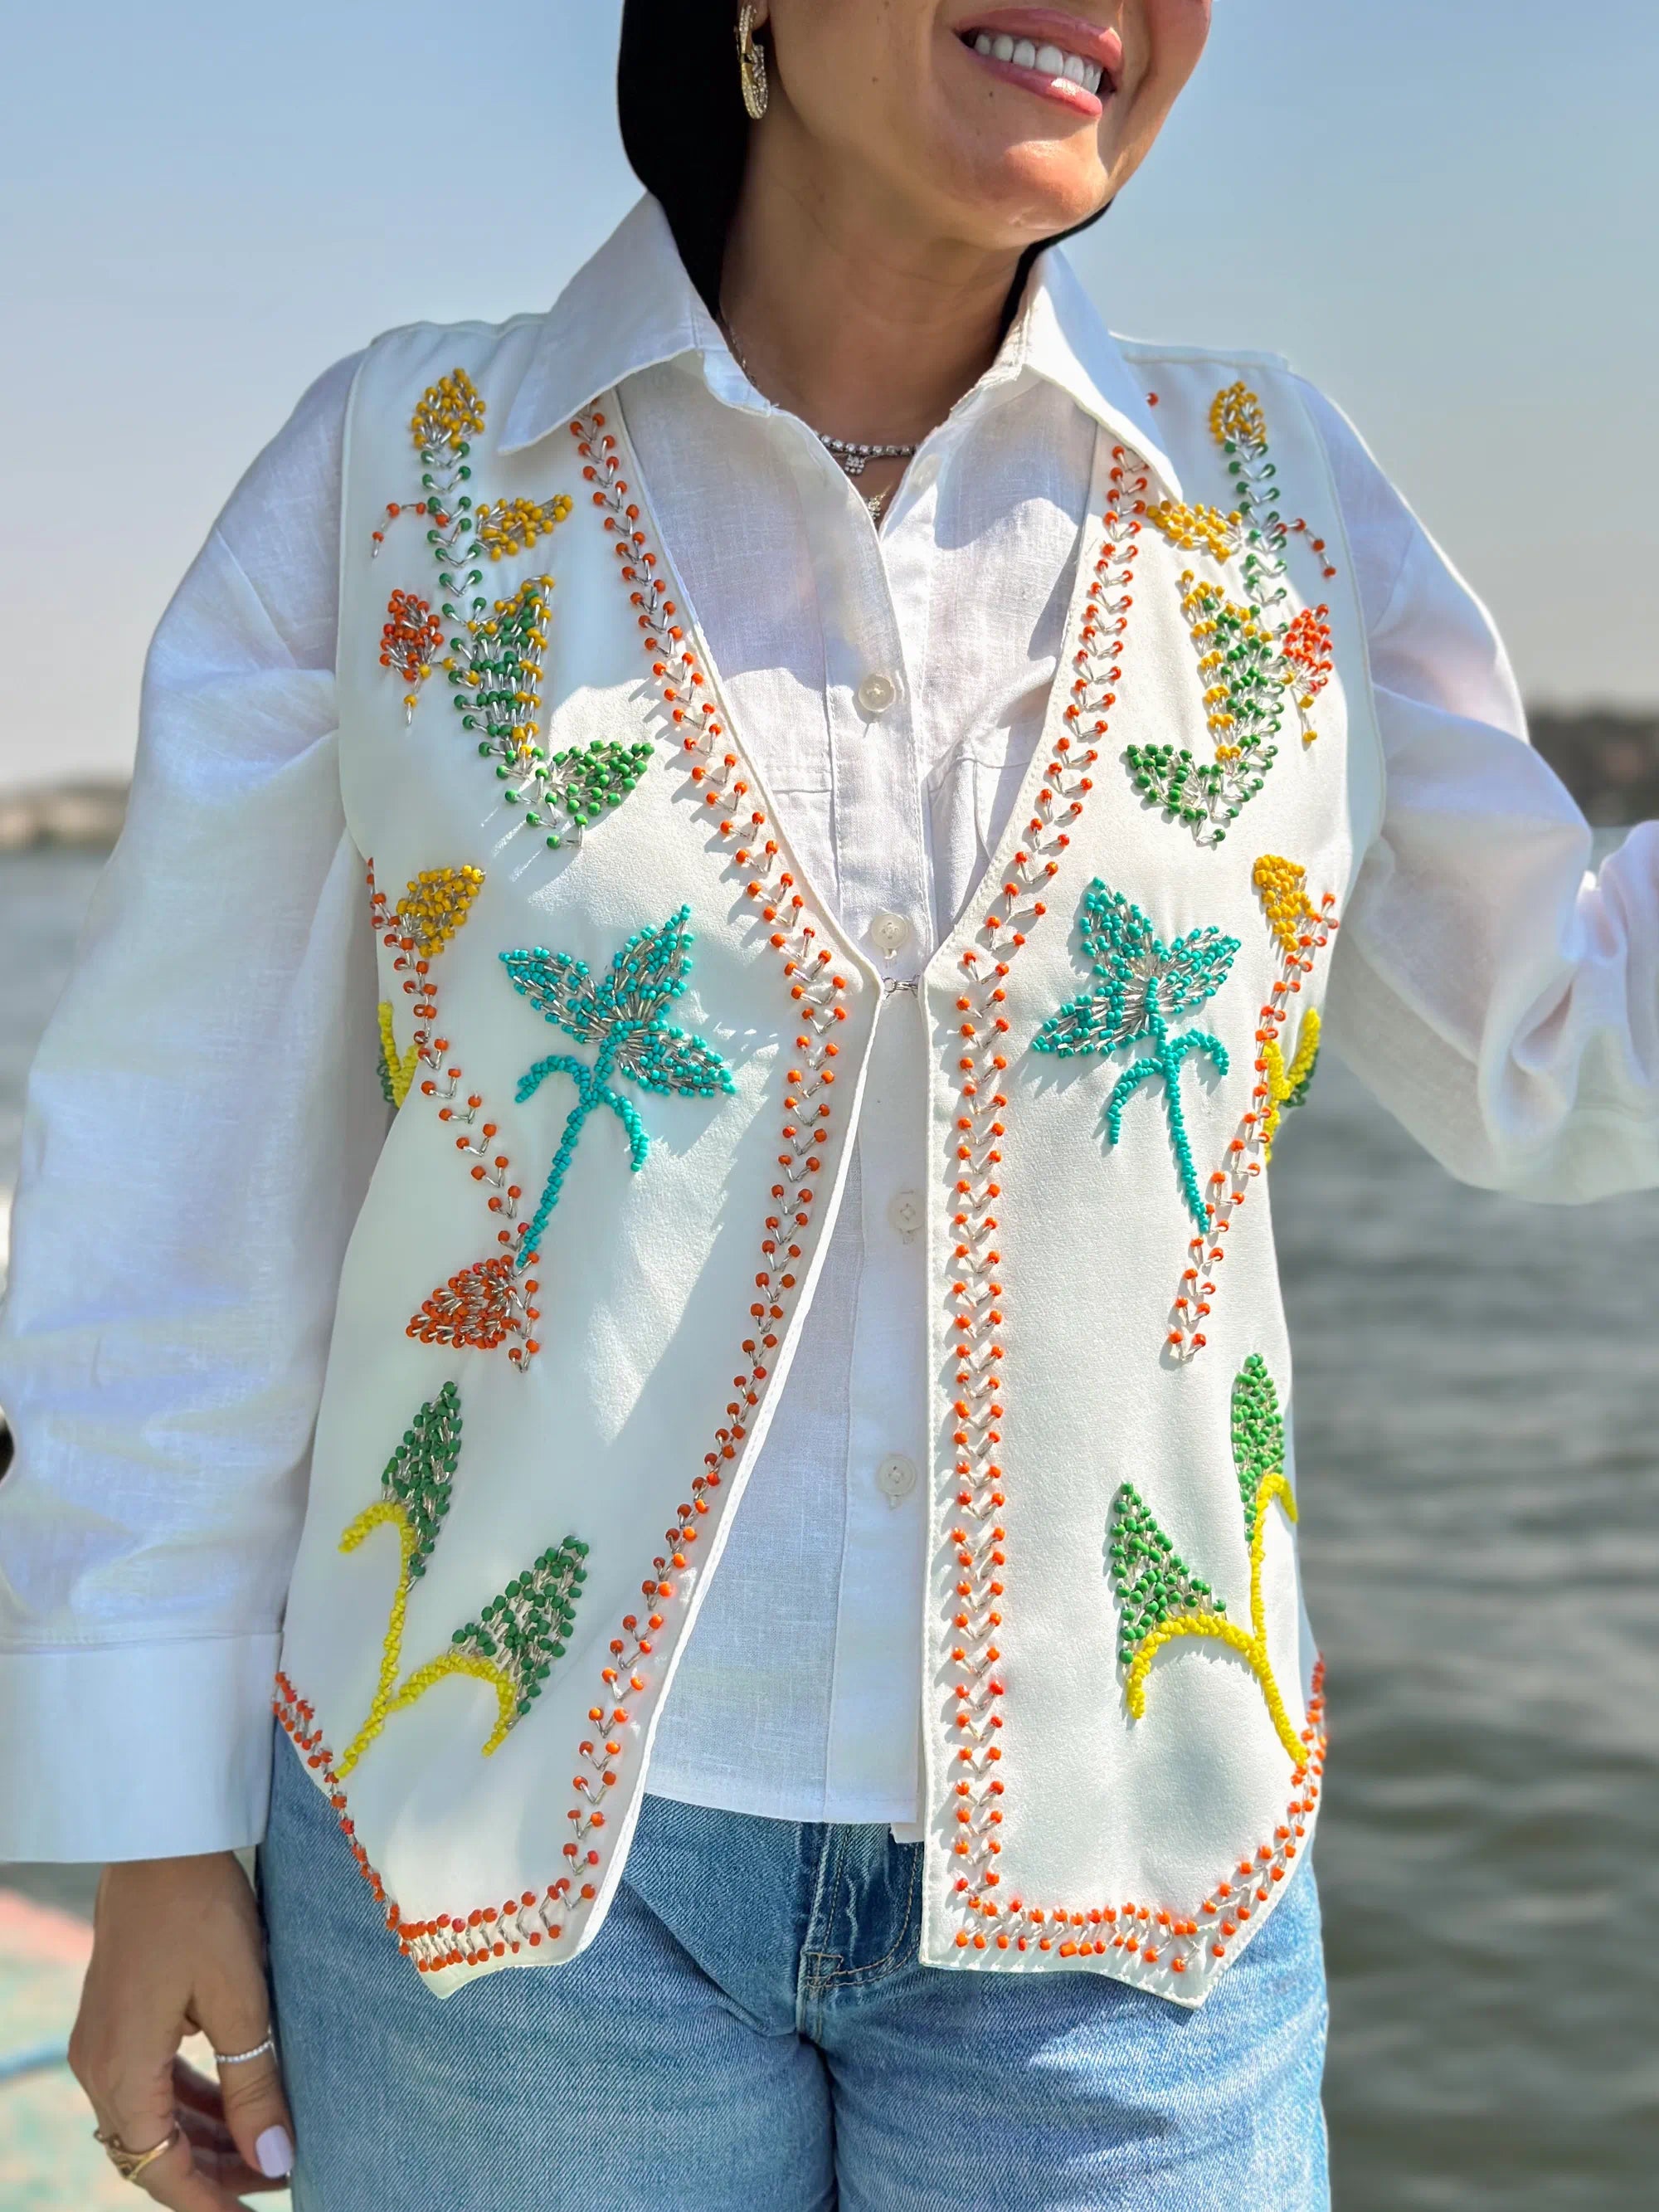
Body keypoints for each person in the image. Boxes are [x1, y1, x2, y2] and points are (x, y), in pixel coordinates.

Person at [2, 3, 1657, 2207]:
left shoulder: (1277, 499)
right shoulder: (406, 474)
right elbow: (173, 1181)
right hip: (498, 1921)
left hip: (1132, 1927)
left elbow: (1554, 1046)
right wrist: (151, 1827)